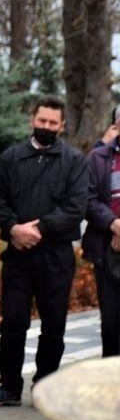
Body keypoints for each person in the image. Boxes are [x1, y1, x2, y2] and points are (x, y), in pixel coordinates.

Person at [0, 96, 89, 406]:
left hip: (56, 256)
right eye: (42, 121)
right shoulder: (11, 158)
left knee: (54, 325)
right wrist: (13, 228)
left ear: (62, 126)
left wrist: (40, 228)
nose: (46, 126)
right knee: (13, 323)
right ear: (33, 120)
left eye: (53, 123)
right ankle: (9, 387)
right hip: (18, 255)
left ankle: (45, 386)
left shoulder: (74, 161)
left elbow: (76, 206)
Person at [84, 105, 120, 357]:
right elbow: (88, 199)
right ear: (116, 125)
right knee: (111, 322)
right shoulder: (98, 158)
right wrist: (114, 225)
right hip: (106, 250)